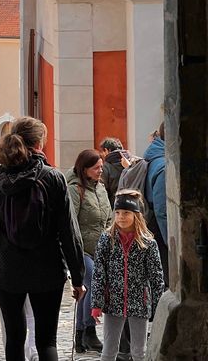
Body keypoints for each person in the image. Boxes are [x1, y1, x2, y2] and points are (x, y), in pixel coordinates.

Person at [0, 116, 85, 361]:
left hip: (7, 270)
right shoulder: (53, 178)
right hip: (47, 269)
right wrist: (78, 278)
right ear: (38, 144)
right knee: (47, 341)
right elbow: (69, 231)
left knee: (14, 339)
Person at [91, 190, 165, 361]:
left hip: (140, 302)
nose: (121, 217)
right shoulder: (106, 239)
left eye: (126, 213)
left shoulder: (148, 243)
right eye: (117, 213)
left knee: (139, 351)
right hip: (113, 301)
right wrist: (97, 303)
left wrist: (156, 306)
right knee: (109, 350)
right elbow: (99, 274)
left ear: (136, 215)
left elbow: (156, 276)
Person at [66, 149, 112, 353]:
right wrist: (74, 248)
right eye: (96, 168)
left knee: (90, 288)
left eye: (101, 167)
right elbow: (71, 221)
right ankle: (88, 331)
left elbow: (109, 215)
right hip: (81, 248)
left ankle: (80, 334)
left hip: (101, 247)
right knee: (92, 281)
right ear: (84, 170)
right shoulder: (75, 190)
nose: (100, 170)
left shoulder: (101, 188)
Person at [143, 122, 169, 286]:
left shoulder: (154, 157)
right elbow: (162, 210)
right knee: (166, 281)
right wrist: (171, 241)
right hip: (160, 228)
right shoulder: (164, 166)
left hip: (154, 225)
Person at [99, 137, 133, 204]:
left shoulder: (107, 165)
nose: (102, 154)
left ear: (106, 150)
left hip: (115, 204)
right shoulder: (131, 160)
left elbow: (103, 189)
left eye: (102, 151)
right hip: (132, 201)